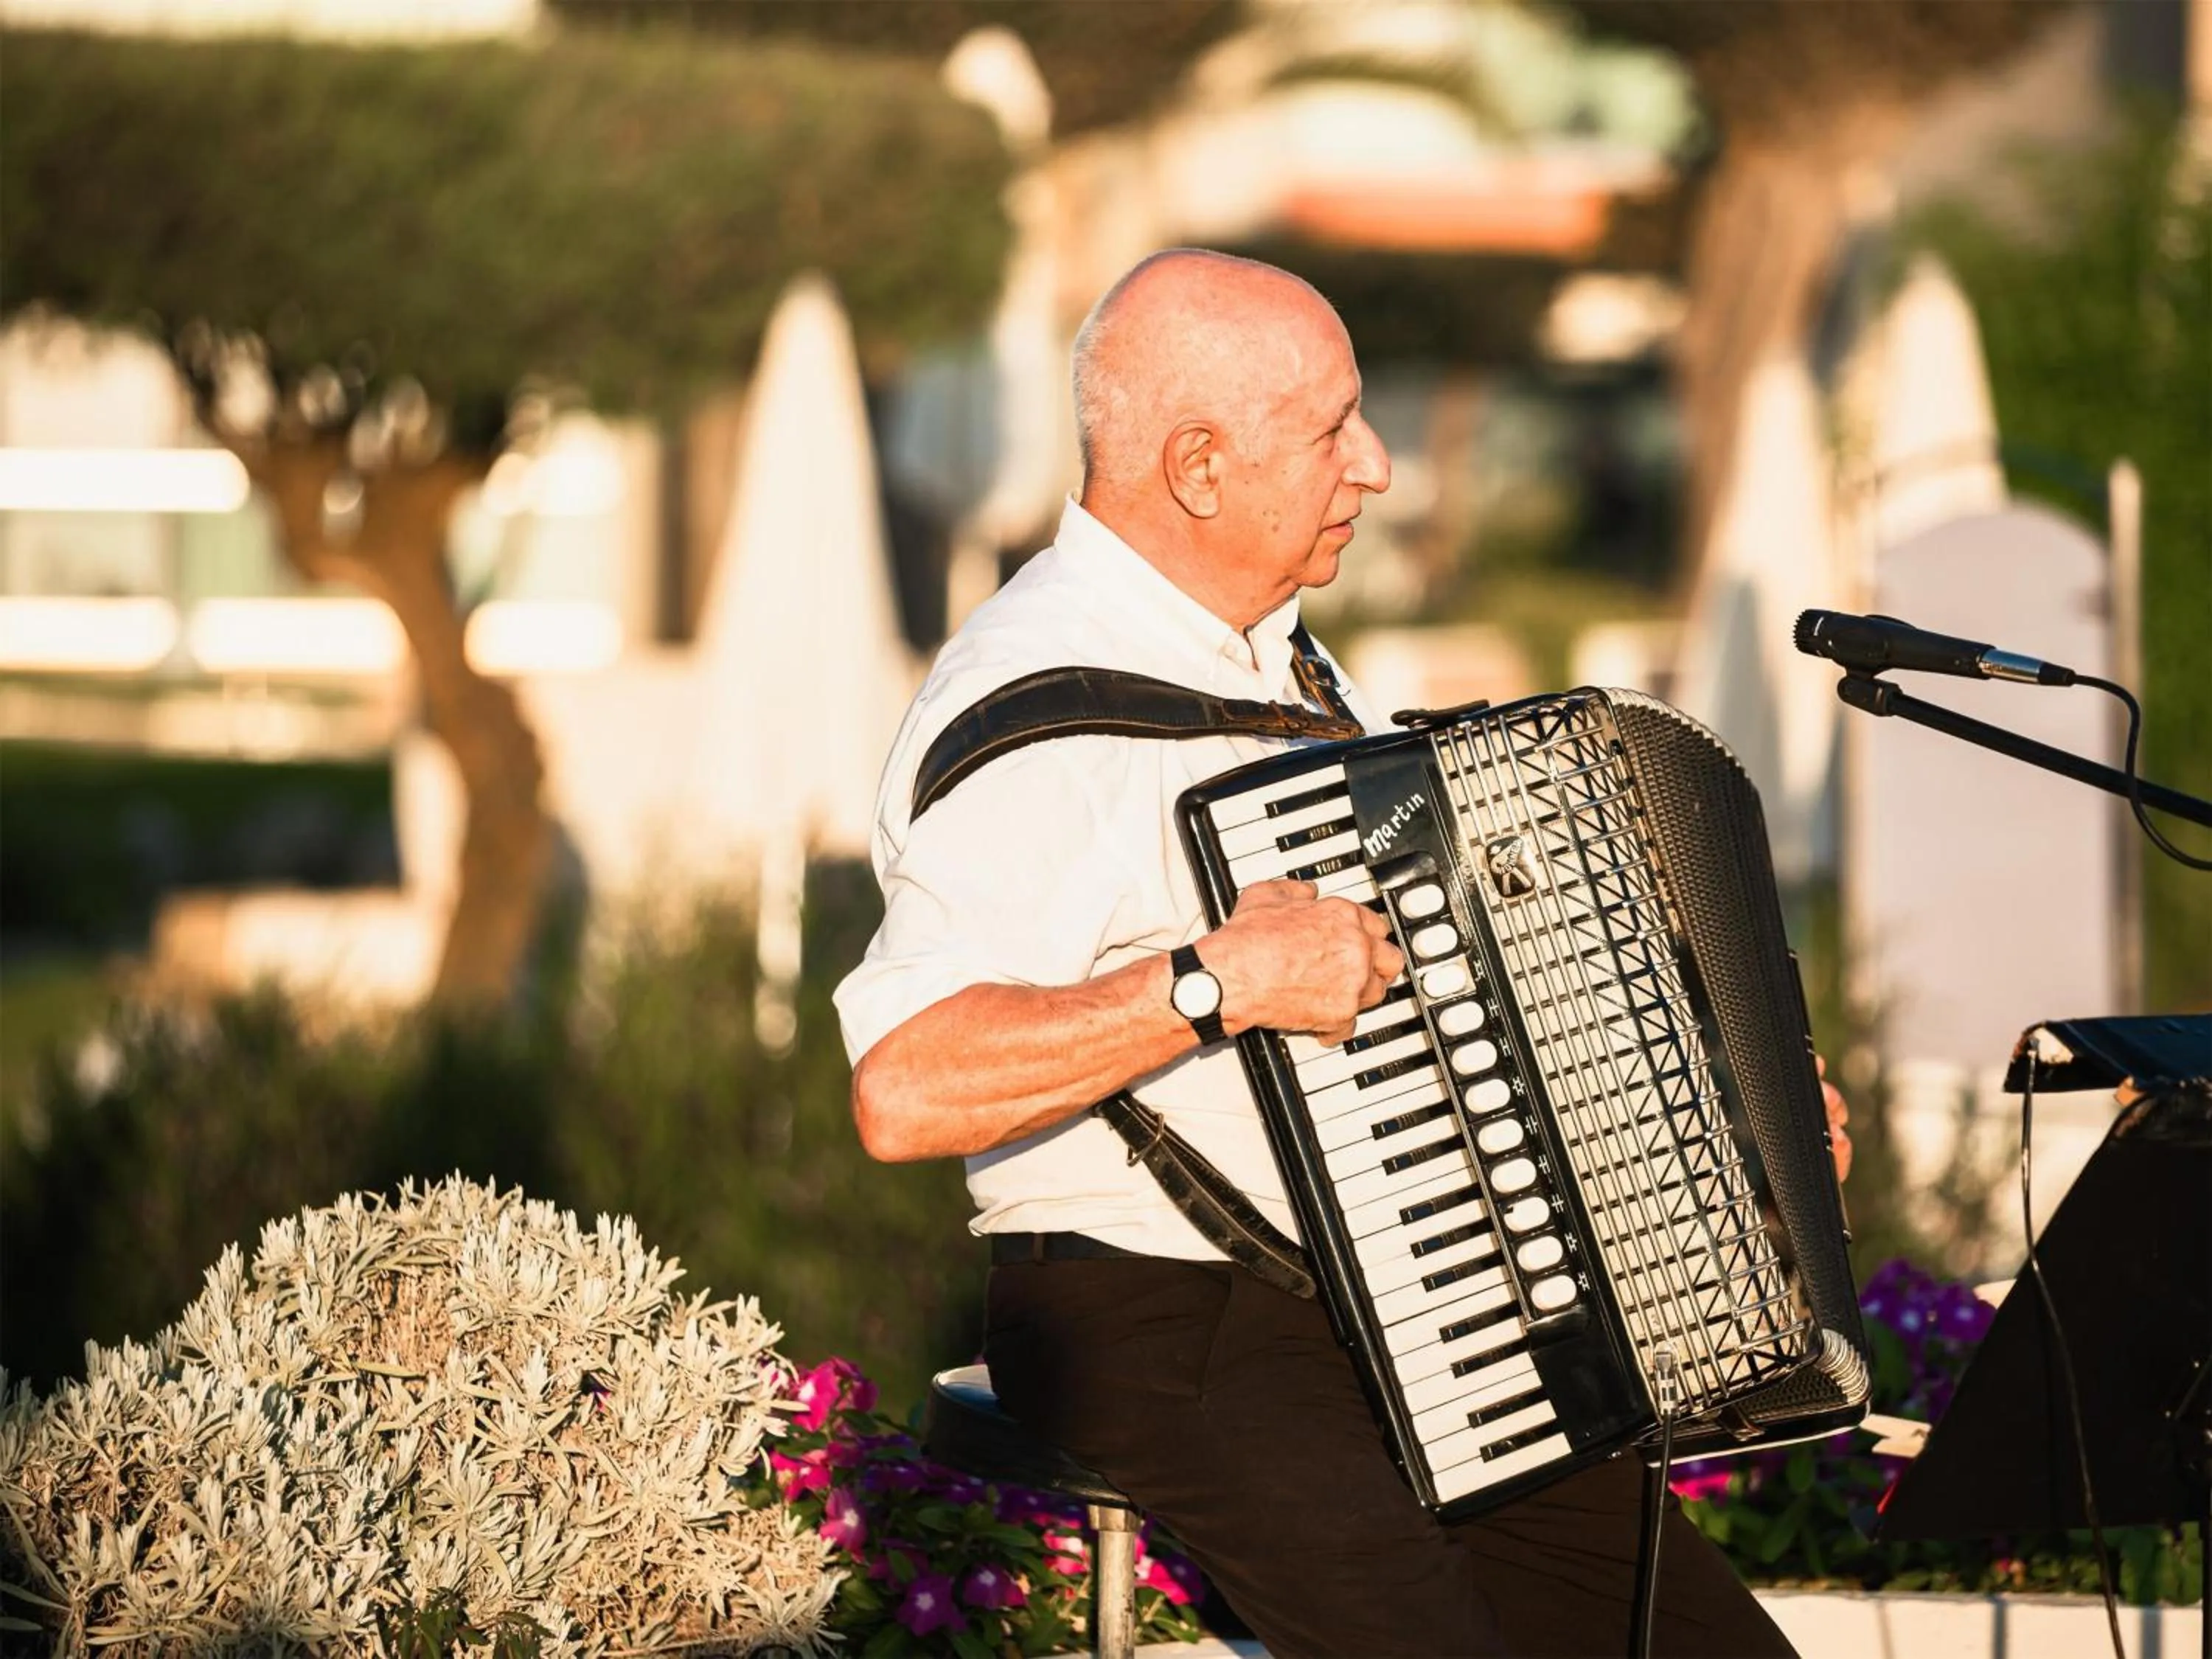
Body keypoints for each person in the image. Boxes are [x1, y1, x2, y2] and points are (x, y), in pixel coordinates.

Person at [835, 248, 1846, 1657]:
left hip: (1406, 1289)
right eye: (1331, 427)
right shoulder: (1035, 711)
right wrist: (1211, 983)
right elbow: (904, 1084)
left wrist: (1733, 1117)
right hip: (1159, 1306)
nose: (1374, 465)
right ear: (1198, 466)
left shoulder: (1284, 666)